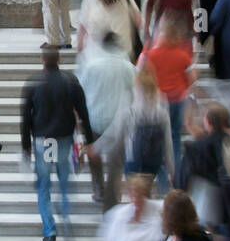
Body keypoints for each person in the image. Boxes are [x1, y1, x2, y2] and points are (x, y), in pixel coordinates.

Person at [20, 45, 94, 241]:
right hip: (63, 138)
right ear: (60, 58)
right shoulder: (71, 82)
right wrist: (89, 140)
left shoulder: (34, 83)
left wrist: (26, 145)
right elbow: (83, 112)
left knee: (44, 185)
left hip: (43, 140)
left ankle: (49, 229)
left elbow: (26, 116)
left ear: (42, 60)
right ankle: (66, 216)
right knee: (64, 181)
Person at [77, 32, 136, 208]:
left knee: (93, 156)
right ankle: (111, 200)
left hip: (93, 117)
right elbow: (134, 93)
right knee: (115, 163)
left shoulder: (91, 66)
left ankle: (98, 189)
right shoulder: (127, 67)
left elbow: (81, 90)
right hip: (117, 121)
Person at [93, 67, 174, 191]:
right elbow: (168, 142)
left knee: (135, 197)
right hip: (153, 162)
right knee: (146, 194)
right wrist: (171, 170)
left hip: (133, 159)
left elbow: (114, 133)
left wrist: (96, 148)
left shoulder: (130, 111)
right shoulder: (161, 113)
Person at [138, 15, 197, 173]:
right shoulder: (183, 55)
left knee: (159, 140)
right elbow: (192, 79)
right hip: (178, 100)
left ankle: (162, 176)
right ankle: (175, 171)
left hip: (158, 101)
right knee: (175, 137)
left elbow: (138, 75)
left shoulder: (149, 55)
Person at [76, 0, 140, 62]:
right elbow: (139, 23)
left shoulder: (89, 0)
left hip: (95, 59)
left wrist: (80, 51)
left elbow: (81, 31)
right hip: (123, 57)